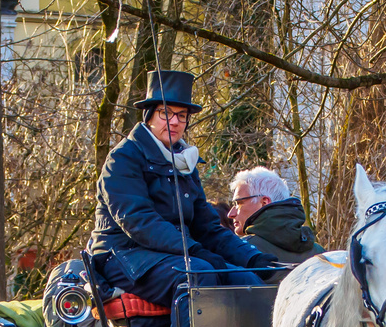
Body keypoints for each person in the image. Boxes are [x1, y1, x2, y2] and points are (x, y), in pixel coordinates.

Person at [89, 70, 273, 305]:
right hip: (123, 256)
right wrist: (194, 250)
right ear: (149, 116)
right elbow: (140, 222)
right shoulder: (123, 159)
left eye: (182, 115)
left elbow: (207, 227)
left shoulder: (185, 163)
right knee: (198, 275)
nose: (175, 121)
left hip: (176, 255)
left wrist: (253, 258)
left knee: (250, 282)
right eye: (166, 113)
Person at [229, 166, 325, 268]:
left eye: (239, 203)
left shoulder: (242, 253)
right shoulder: (321, 255)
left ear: (264, 202)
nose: (230, 214)